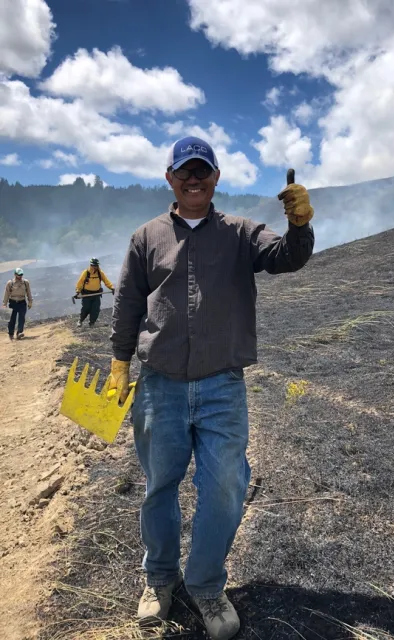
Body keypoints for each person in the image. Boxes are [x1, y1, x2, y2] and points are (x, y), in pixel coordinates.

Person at [109, 136, 314, 640]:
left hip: (223, 385)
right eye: (185, 171)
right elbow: (129, 303)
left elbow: (287, 257)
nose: (194, 178)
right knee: (159, 487)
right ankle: (159, 579)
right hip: (160, 386)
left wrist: (300, 224)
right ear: (170, 178)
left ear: (217, 177)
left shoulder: (243, 233)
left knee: (224, 488)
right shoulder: (145, 237)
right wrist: (118, 363)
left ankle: (204, 585)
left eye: (203, 170)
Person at [75, 258, 115, 327]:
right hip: (87, 294)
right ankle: (80, 321)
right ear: (91, 265)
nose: (95, 267)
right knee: (86, 308)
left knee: (95, 309)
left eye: (96, 265)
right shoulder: (86, 273)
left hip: (96, 294)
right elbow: (80, 283)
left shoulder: (100, 273)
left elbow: (106, 281)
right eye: (93, 265)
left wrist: (112, 287)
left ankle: (92, 323)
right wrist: (78, 291)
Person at [2, 267, 33, 340]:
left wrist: (30, 301)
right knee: (12, 319)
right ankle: (11, 333)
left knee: (21, 318)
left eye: (21, 274)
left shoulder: (25, 282)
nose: (20, 276)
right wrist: (4, 304)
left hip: (22, 302)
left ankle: (19, 332)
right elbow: (6, 293)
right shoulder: (10, 283)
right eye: (19, 275)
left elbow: (29, 292)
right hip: (13, 303)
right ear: (15, 274)